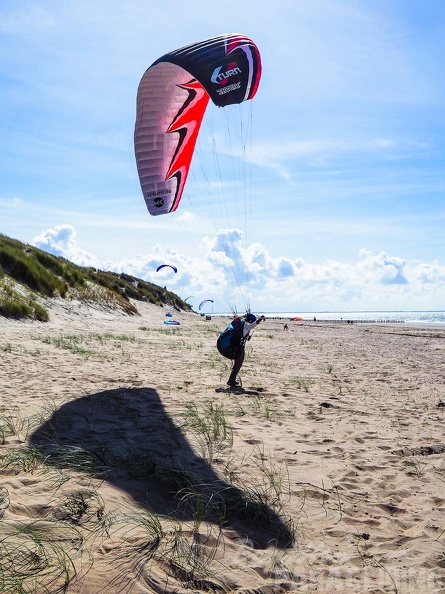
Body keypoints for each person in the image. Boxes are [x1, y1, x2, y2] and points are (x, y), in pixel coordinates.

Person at [217, 313, 266, 388]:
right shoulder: (246, 325)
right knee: (238, 363)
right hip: (239, 347)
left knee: (237, 363)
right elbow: (252, 326)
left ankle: (232, 379)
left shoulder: (243, 325)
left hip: (237, 346)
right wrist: (259, 320)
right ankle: (231, 380)